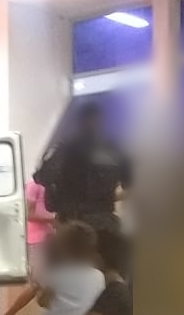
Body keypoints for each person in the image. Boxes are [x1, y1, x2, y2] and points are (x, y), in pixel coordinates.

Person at [34, 102, 131, 275]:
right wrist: (106, 196)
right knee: (112, 274)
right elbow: (131, 187)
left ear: (79, 122)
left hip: (72, 229)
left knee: (69, 278)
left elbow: (42, 177)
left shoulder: (65, 148)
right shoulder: (116, 149)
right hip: (106, 223)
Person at [0, 179, 56, 315]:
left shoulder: (49, 186)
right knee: (41, 283)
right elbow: (27, 213)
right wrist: (53, 218)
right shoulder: (34, 186)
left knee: (42, 284)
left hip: (46, 239)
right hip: (35, 239)